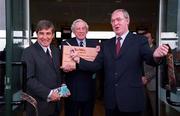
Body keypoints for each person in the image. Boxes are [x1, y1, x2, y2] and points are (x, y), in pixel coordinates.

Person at [69, 9, 169, 116]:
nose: (115, 23)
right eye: (113, 21)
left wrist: (155, 55)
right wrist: (79, 60)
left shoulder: (139, 41)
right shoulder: (106, 44)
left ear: (127, 21)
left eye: (118, 19)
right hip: (111, 101)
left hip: (131, 100)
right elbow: (96, 65)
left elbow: (149, 58)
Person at [21, 20, 70, 116]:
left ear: (53, 35)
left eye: (48, 33)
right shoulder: (28, 52)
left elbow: (59, 73)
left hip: (57, 105)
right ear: (36, 34)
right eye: (41, 33)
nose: (45, 37)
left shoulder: (56, 51)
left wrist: (63, 86)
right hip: (39, 106)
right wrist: (49, 93)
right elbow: (28, 79)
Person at [61, 19, 99, 116]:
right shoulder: (66, 43)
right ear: (73, 31)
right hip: (71, 90)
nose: (81, 31)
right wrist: (64, 69)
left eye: (83, 28)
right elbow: (60, 66)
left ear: (87, 30)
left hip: (89, 90)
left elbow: (97, 66)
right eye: (78, 29)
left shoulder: (95, 45)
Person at [141, 32, 156, 116]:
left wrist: (146, 78)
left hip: (152, 84)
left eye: (148, 38)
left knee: (154, 107)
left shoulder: (156, 50)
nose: (146, 40)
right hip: (140, 84)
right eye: (144, 38)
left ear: (152, 39)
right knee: (143, 107)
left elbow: (157, 68)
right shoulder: (141, 50)